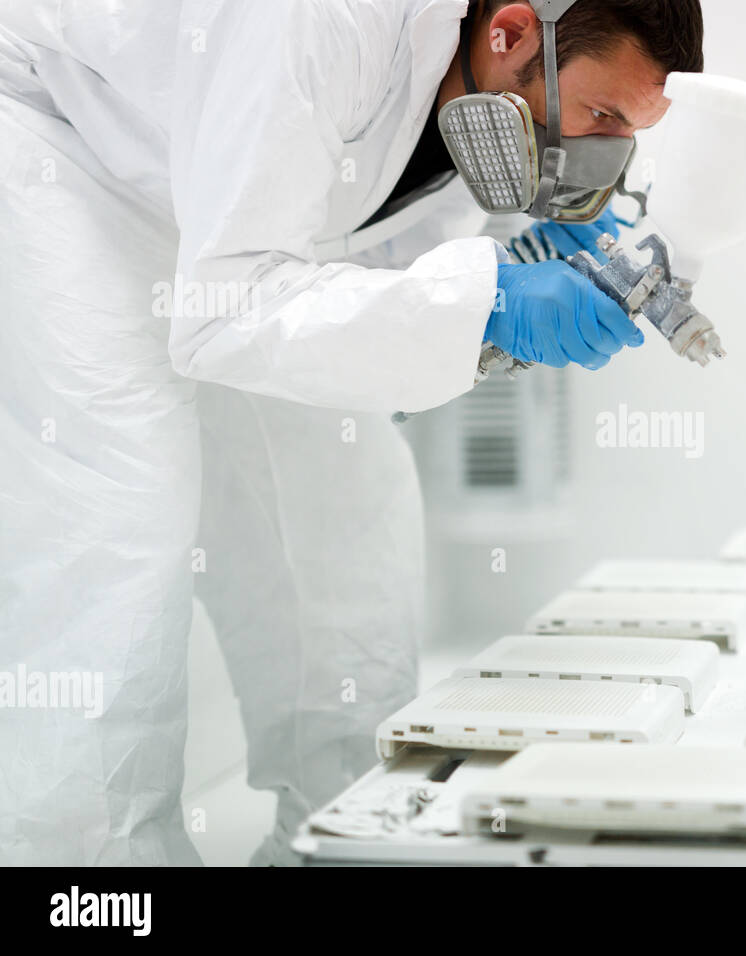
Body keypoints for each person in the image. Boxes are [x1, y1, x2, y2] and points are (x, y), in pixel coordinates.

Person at [0, 0, 705, 865]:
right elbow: (231, 314)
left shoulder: (478, 96)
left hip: (223, 207)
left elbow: (346, 270)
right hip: (63, 138)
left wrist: (519, 233)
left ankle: (331, 839)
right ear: (513, 32)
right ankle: (86, 884)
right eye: (601, 116)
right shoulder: (320, 20)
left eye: (629, 131)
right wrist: (486, 304)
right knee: (125, 503)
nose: (604, 152)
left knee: (346, 497)